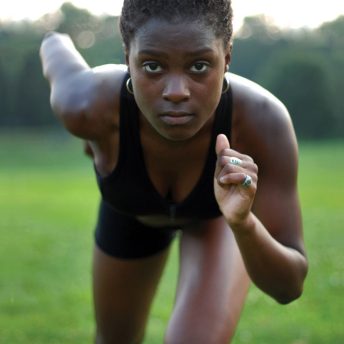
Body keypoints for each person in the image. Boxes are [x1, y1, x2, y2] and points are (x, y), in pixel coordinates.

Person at [40, 1, 308, 343]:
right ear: (127, 57)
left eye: (199, 66)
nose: (177, 91)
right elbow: (53, 44)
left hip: (216, 220)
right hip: (130, 214)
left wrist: (244, 223)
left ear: (227, 57)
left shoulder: (262, 121)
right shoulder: (86, 105)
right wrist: (54, 36)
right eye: (152, 66)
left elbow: (290, 286)